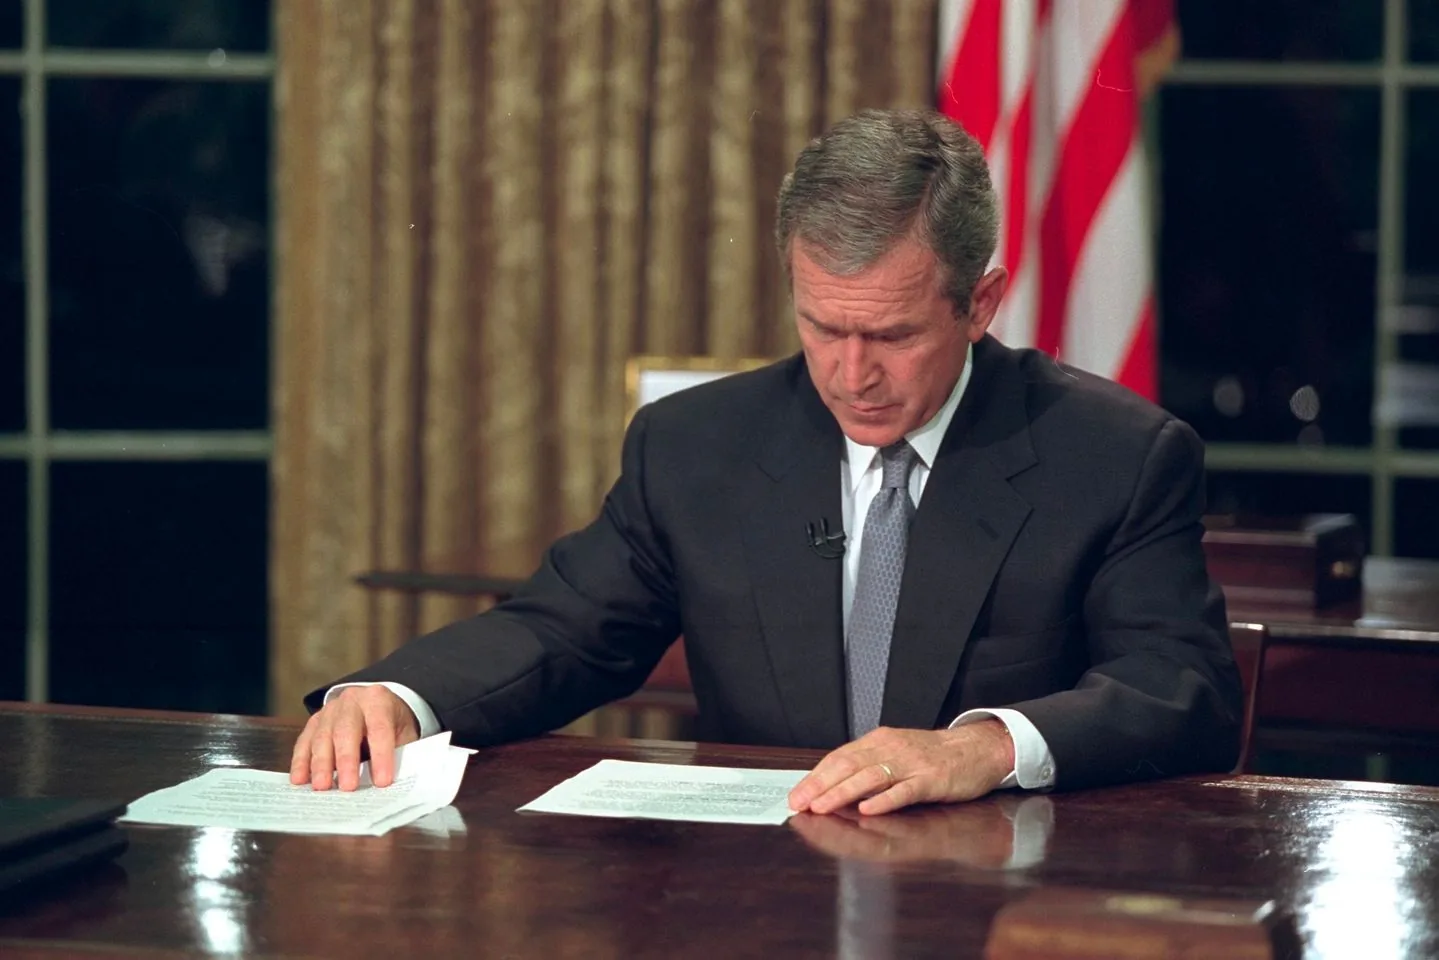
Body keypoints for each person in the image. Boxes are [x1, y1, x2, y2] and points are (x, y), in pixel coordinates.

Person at [290, 108, 1242, 815]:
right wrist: (397, 697)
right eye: (822, 326)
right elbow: (565, 628)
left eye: (893, 335)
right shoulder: (698, 445)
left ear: (980, 301)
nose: (851, 375)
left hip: (1000, 898)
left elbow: (1178, 687)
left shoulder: (1112, 455)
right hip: (755, 895)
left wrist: (990, 746)